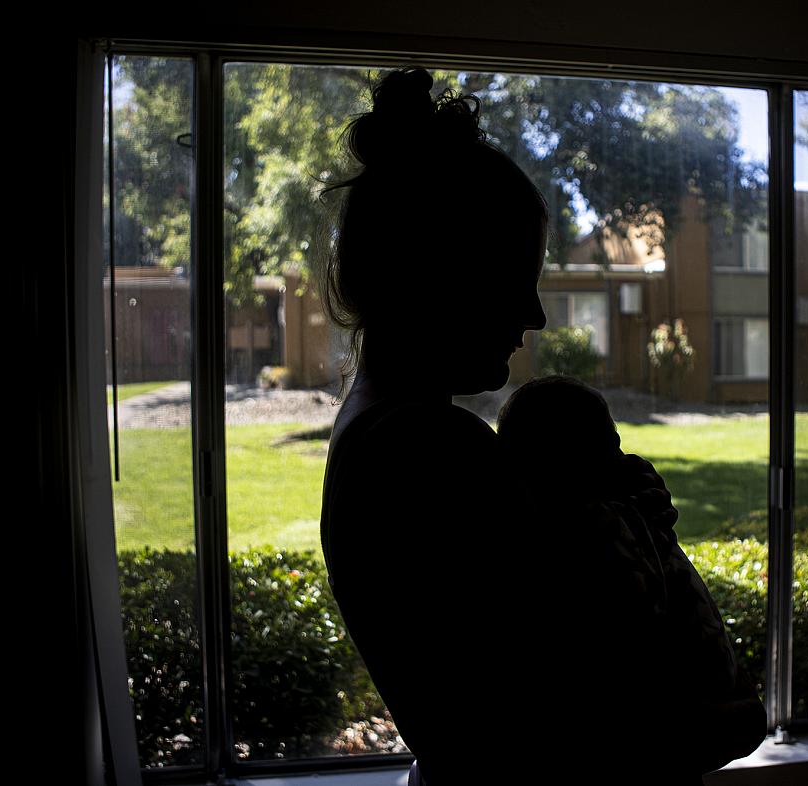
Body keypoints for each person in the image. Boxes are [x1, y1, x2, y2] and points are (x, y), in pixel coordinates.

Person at [317, 67, 764, 786]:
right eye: (514, 281)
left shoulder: (383, 431)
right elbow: (570, 718)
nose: (534, 316)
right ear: (440, 274)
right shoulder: (432, 452)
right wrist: (722, 716)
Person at [495, 375, 742, 706]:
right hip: (693, 699)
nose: (622, 457)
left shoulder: (604, 522)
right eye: (610, 446)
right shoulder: (612, 521)